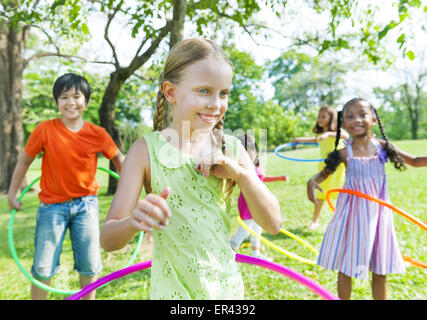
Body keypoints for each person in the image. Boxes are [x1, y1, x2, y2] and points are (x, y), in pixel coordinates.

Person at [99, 38, 282, 300]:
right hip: (172, 294)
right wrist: (133, 221)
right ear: (171, 92)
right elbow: (108, 239)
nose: (216, 104)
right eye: (204, 91)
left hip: (225, 292)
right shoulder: (143, 152)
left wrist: (242, 175)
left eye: (224, 93)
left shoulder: (230, 148)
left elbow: (273, 223)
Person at [7, 73, 124, 300]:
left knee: (90, 266)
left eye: (77, 96)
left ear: (86, 101)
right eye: (64, 97)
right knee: (43, 267)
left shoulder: (97, 134)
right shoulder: (44, 130)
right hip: (51, 207)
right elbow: (24, 161)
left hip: (86, 206)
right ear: (56, 102)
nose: (71, 102)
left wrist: (130, 191)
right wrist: (13, 193)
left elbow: (120, 160)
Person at [306, 97, 427, 300]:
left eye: (362, 114)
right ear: (343, 124)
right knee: (347, 263)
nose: (357, 119)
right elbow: (323, 174)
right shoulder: (345, 153)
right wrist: (312, 181)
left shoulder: (382, 146)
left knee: (380, 267)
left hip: (378, 215)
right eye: (350, 116)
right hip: (353, 215)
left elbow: (414, 161)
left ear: (373, 119)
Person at [230, 133, 289, 261]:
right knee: (245, 229)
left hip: (260, 200)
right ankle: (229, 252)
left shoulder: (257, 166)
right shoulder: (241, 169)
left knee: (258, 227)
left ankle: (256, 253)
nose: (249, 156)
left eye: (252, 152)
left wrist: (279, 178)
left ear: (256, 153)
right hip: (248, 201)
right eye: (245, 153)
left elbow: (262, 178)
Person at [292, 105, 349, 230]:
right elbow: (312, 139)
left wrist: (329, 134)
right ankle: (315, 221)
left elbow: (346, 136)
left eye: (323, 117)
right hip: (324, 166)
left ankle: (344, 220)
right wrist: (298, 140)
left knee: (340, 193)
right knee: (320, 194)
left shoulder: (337, 132)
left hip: (337, 166)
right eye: (319, 117)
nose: (320, 119)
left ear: (332, 118)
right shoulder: (321, 135)